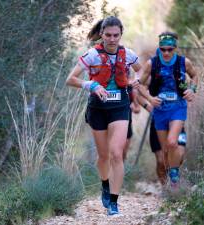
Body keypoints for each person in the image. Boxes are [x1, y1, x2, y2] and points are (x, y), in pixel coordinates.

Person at [65, 16, 141, 215]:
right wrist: (91, 84)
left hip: (120, 107)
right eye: (108, 35)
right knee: (104, 155)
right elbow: (70, 79)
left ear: (121, 35)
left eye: (116, 35)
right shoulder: (92, 55)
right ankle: (105, 184)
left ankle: (114, 203)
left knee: (117, 153)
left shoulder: (128, 54)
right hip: (97, 108)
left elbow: (141, 71)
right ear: (101, 34)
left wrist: (135, 80)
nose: (112, 39)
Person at [138, 31, 198, 188]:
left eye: (169, 49)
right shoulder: (152, 64)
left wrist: (192, 90)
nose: (166, 52)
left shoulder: (184, 62)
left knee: (172, 142)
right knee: (165, 150)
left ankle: (174, 176)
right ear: (159, 48)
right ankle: (169, 184)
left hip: (178, 107)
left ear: (175, 48)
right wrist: (150, 99)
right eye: (163, 49)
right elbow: (140, 86)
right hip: (159, 111)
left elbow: (195, 76)